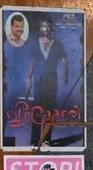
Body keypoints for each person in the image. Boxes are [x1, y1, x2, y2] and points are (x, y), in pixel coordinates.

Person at [26, 17, 70, 147]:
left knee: (50, 112)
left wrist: (65, 74)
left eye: (49, 27)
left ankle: (46, 139)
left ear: (52, 29)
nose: (47, 29)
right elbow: (32, 62)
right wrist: (28, 78)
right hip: (38, 82)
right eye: (45, 26)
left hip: (52, 82)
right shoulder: (35, 44)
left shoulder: (57, 44)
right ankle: (34, 140)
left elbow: (64, 60)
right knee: (37, 111)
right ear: (40, 28)